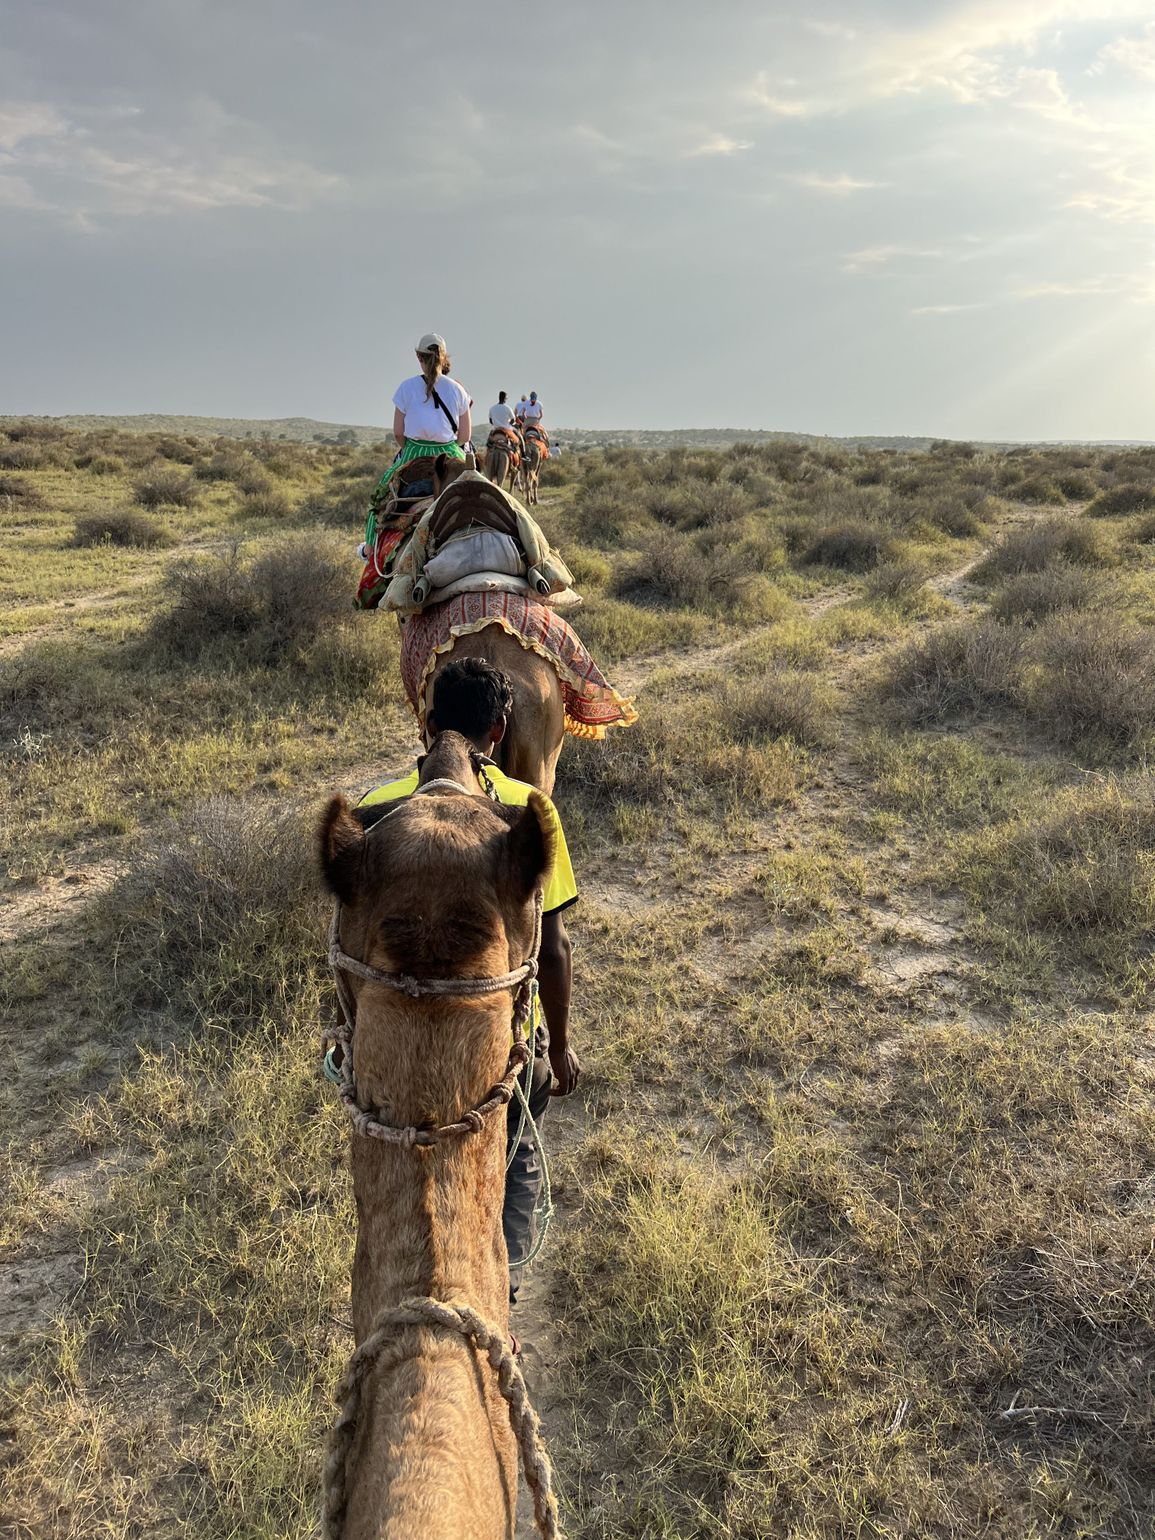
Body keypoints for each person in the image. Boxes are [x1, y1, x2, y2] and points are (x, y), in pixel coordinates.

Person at [358, 657, 580, 1296]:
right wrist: (557, 1048)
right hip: (502, 1041)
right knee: (515, 1158)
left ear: (427, 725)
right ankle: (499, 1294)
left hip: (394, 1048)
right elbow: (555, 946)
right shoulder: (525, 812)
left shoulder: (376, 812)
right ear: (501, 729)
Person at [365, 334, 473, 541]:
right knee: (482, 488)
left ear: (419, 357)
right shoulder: (458, 389)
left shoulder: (406, 387)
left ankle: (370, 547)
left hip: (415, 450)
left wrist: (411, 448)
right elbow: (465, 436)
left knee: (380, 497)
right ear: (444, 358)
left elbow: (398, 432)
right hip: (450, 450)